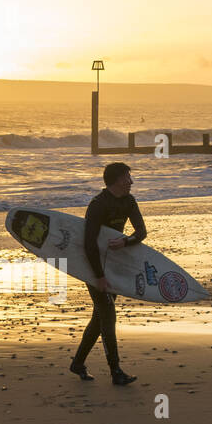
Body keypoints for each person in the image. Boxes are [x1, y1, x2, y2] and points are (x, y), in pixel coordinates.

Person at [70, 162, 145, 385]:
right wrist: (99, 276)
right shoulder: (97, 205)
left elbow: (141, 232)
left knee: (100, 316)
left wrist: (126, 241)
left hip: (113, 264)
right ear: (116, 180)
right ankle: (116, 372)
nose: (131, 182)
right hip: (93, 266)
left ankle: (77, 363)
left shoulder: (129, 201)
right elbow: (89, 244)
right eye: (127, 178)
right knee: (108, 317)